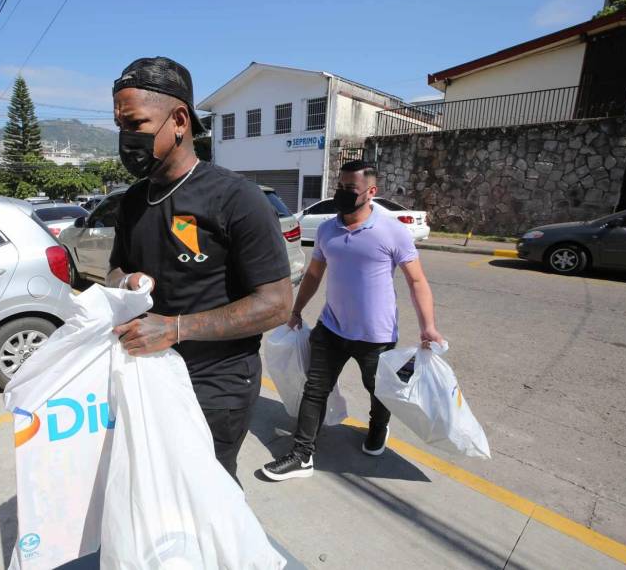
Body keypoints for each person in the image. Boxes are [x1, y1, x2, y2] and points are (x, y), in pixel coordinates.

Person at [107, 57, 293, 480]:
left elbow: (277, 305)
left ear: (179, 120)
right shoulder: (132, 201)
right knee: (155, 488)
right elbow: (114, 270)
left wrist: (174, 329)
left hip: (216, 387)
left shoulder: (236, 198)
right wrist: (126, 281)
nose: (125, 138)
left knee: (209, 497)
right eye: (120, 125)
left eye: (135, 124)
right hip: (147, 377)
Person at [261, 160, 444, 481]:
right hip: (331, 329)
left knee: (378, 389)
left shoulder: (392, 231)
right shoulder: (328, 229)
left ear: (371, 192)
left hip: (377, 335)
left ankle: (378, 428)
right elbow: (314, 273)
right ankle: (302, 454)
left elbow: (417, 281)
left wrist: (428, 326)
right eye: (340, 187)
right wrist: (296, 309)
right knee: (314, 389)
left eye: (351, 189)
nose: (343, 194)